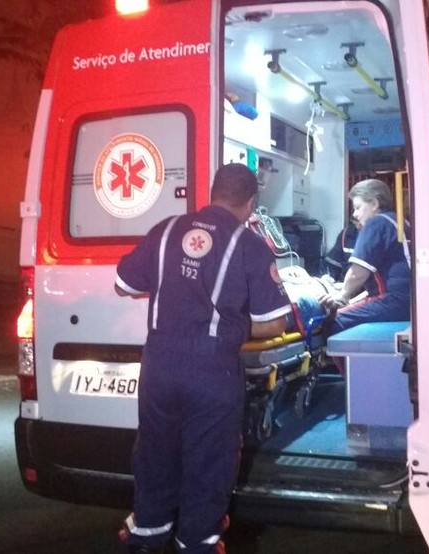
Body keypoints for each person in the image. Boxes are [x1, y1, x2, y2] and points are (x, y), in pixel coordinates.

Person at [114, 163, 291, 554]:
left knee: (156, 451)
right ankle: (196, 542)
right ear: (250, 203)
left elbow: (123, 283)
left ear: (211, 193)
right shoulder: (250, 245)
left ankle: (147, 534)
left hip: (159, 366)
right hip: (212, 371)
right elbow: (274, 323)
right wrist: (230, 326)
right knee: (209, 459)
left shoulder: (166, 230)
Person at [319, 178, 411, 335]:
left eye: (358, 207)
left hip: (392, 301)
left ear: (375, 204)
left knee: (331, 322)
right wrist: (351, 300)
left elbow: (357, 273)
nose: (355, 214)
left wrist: (341, 297)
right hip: (409, 302)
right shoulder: (400, 222)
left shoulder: (376, 223)